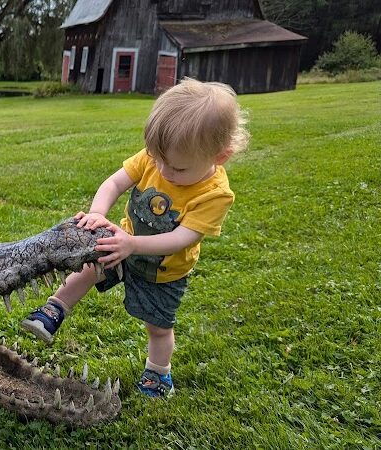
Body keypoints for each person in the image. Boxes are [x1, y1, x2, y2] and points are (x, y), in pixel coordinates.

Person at [21, 78, 249, 397]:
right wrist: (99, 213)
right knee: (89, 266)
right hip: (123, 241)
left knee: (158, 328)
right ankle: (55, 308)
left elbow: (182, 238)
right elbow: (114, 183)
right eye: (158, 160)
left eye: (177, 169)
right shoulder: (157, 156)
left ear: (220, 156)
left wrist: (133, 245)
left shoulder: (214, 195)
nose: (164, 170)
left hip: (163, 272)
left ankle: (157, 374)